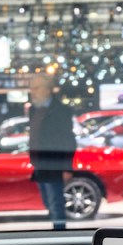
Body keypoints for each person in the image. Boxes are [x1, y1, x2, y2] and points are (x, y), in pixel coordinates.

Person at [26, 73, 77, 231]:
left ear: (48, 90)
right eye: (31, 88)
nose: (32, 92)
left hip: (54, 164)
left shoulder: (61, 110)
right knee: (48, 202)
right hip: (40, 163)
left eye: (36, 88)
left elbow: (68, 139)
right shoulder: (35, 110)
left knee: (55, 203)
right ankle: (58, 230)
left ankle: (60, 234)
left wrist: (67, 167)